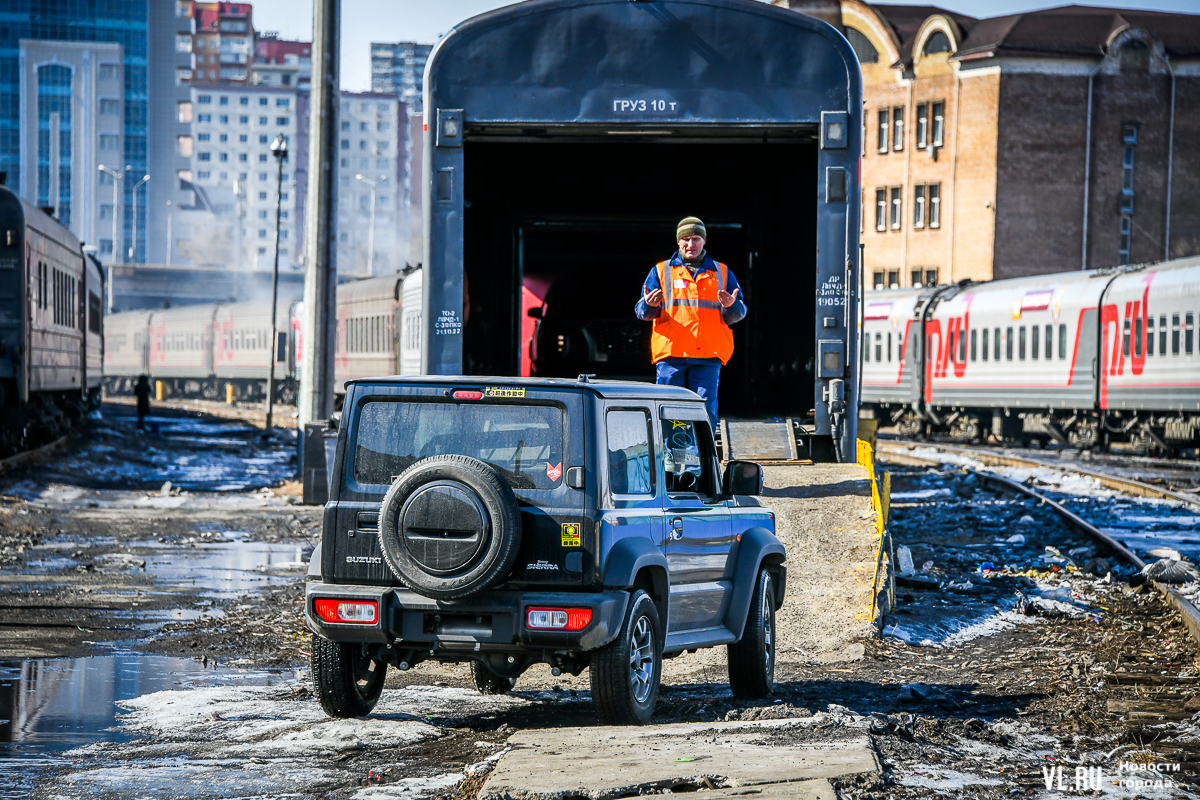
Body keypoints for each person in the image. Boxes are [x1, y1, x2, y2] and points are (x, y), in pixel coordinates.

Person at [635, 217, 747, 429]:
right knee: (669, 411)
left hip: (708, 355)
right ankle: (673, 459)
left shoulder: (722, 273)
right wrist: (650, 305)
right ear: (678, 242)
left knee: (704, 412)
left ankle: (700, 461)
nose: (690, 244)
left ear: (704, 241)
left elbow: (738, 314)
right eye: (685, 239)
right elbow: (642, 312)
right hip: (671, 356)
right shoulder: (661, 271)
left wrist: (732, 305)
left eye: (696, 238)